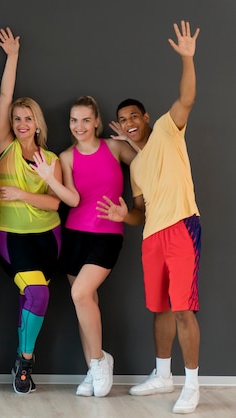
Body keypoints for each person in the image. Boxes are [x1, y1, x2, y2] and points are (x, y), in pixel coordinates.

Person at [97, 21, 201, 414]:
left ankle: (191, 385)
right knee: (159, 307)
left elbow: (186, 98)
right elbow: (141, 212)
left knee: (183, 307)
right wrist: (126, 215)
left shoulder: (166, 130)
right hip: (152, 236)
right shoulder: (136, 167)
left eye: (132, 115)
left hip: (182, 227)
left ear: (145, 116)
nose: (128, 122)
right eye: (122, 119)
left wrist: (188, 59)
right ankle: (163, 375)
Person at [31, 96, 136, 397]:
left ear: (97, 122)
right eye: (74, 120)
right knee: (84, 302)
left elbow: (147, 162)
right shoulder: (65, 157)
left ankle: (101, 361)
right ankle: (93, 365)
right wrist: (51, 179)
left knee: (81, 293)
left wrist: (131, 140)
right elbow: (73, 199)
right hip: (75, 235)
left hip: (108, 233)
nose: (79, 126)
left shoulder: (114, 148)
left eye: (86, 120)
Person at [0, 28, 62, 395]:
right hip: (10, 236)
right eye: (17, 118)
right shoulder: (3, 147)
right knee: (39, 296)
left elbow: (55, 203)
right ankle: (26, 362)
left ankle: (20, 363)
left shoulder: (51, 159)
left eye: (27, 118)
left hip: (49, 237)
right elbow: (4, 96)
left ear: (37, 123)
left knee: (29, 299)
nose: (21, 123)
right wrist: (13, 56)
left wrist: (21, 192)